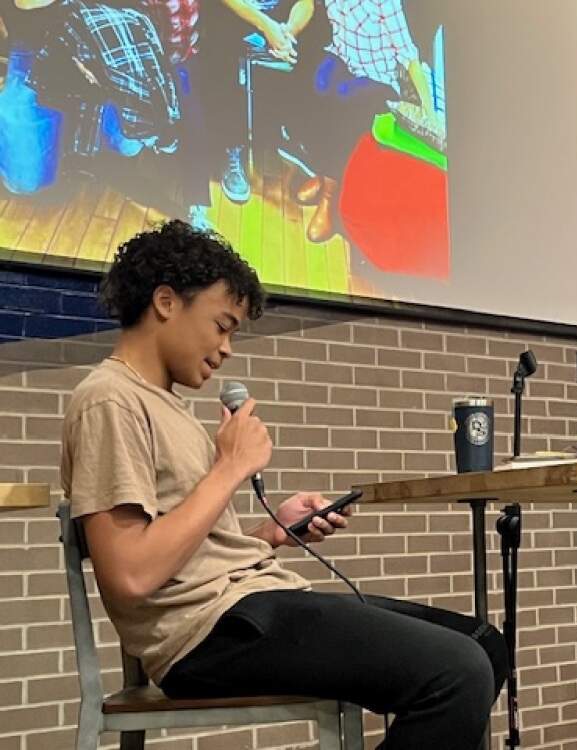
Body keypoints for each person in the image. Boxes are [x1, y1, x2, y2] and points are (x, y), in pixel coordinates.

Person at [60, 220, 506, 749]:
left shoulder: (167, 406)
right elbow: (130, 574)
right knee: (458, 672)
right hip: (208, 636)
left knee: (484, 646)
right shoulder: (110, 399)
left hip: (250, 606)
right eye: (222, 325)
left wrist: (270, 533)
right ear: (166, 301)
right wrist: (229, 469)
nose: (226, 348)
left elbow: (188, 549)